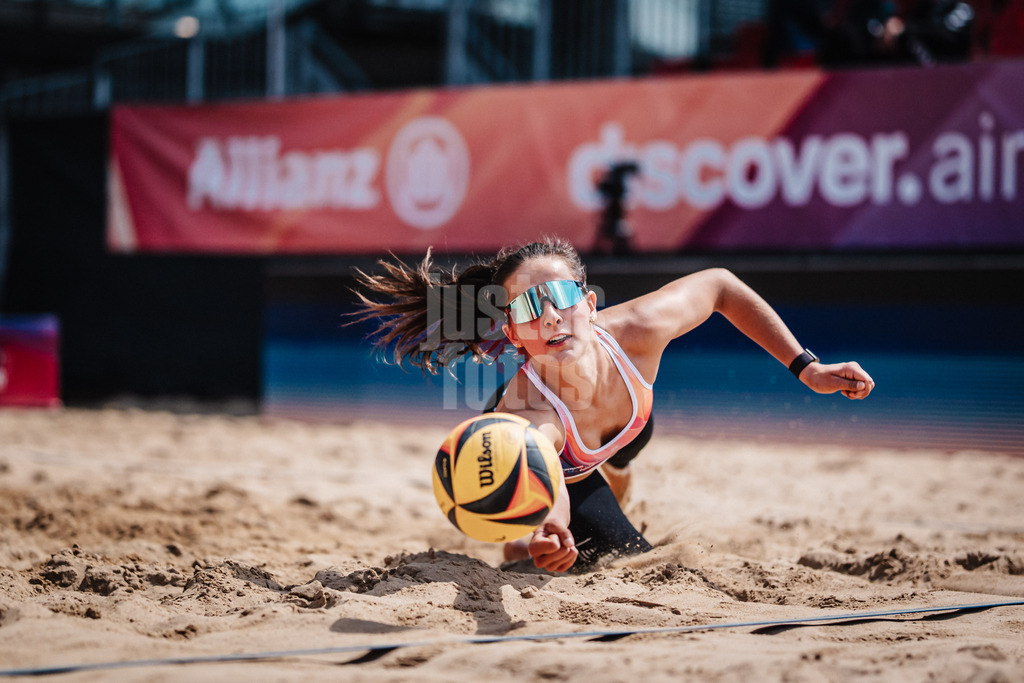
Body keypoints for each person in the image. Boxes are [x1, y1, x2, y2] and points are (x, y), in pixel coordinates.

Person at [350, 238, 875, 574]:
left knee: (631, 443)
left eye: (560, 296)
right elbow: (544, 469)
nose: (551, 317)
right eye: (530, 307)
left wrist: (809, 368)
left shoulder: (637, 329)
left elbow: (721, 285)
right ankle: (519, 540)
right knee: (637, 563)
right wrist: (550, 527)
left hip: (629, 423)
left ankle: (617, 468)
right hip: (566, 468)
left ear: (589, 303)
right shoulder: (529, 414)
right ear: (512, 333)